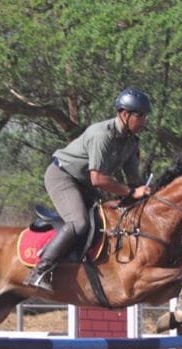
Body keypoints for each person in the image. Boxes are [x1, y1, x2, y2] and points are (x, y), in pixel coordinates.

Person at [24, 87, 153, 292]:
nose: (144, 120)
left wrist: (147, 192)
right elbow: (99, 179)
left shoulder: (131, 142)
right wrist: (130, 192)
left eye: (146, 116)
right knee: (80, 223)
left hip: (83, 183)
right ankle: (40, 271)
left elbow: (134, 180)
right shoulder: (102, 135)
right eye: (140, 115)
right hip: (62, 176)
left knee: (109, 219)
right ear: (125, 114)